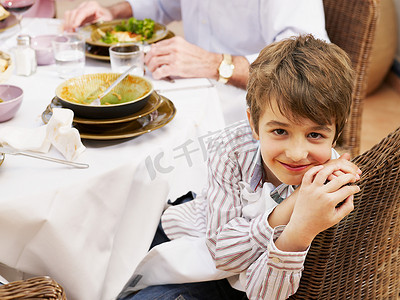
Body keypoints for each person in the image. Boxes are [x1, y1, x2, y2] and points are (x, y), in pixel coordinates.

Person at [116, 34, 362, 300]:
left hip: (229, 281)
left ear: (336, 134)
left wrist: (298, 229)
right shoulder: (231, 150)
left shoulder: (329, 191)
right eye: (280, 131)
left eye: (315, 135)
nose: (296, 153)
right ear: (253, 125)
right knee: (113, 266)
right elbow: (220, 253)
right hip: (193, 232)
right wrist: (290, 207)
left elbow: (260, 292)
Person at [63, 0, 330, 90]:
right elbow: (162, 4)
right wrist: (114, 13)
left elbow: (306, 68)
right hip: (186, 89)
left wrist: (215, 65)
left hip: (248, 114)